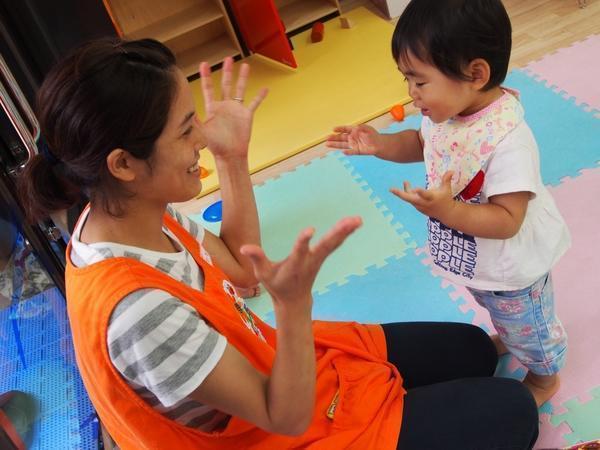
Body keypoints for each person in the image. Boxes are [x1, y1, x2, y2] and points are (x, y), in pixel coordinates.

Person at [19, 38, 539, 449]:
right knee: (516, 413)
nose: (200, 135)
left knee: (472, 350)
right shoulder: (138, 314)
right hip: (274, 424)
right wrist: (293, 306)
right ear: (124, 164)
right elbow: (283, 417)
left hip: (269, 364)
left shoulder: (124, 213)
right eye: (184, 131)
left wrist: (232, 158)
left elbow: (241, 274)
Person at [327, 0, 570, 407]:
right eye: (407, 80)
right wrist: (380, 144)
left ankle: (544, 376)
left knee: (532, 325)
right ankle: (511, 335)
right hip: (480, 257)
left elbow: (509, 219)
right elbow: (424, 144)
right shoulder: (449, 113)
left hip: (514, 270)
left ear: (476, 74)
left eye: (419, 82)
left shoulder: (508, 141)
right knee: (500, 313)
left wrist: (447, 211)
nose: (410, 93)